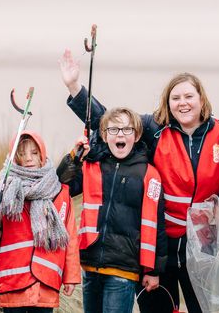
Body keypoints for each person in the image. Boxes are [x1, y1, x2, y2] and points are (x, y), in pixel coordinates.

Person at [59, 49, 219, 313]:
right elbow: (111, 122)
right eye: (175, 98)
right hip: (161, 245)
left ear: (201, 99)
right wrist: (75, 87)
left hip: (204, 242)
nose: (183, 103)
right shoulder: (154, 129)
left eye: (189, 96)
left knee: (210, 308)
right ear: (168, 103)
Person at [61, 107, 168, 313]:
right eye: (114, 129)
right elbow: (63, 185)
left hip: (124, 270)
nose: (120, 134)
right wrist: (75, 156)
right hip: (90, 265)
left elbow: (157, 225)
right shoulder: (92, 166)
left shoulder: (149, 174)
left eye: (127, 130)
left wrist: (153, 270)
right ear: (103, 135)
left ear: (136, 136)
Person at [0, 131, 80, 313]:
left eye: (34, 153)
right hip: (13, 283)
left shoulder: (60, 193)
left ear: (42, 155)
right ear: (16, 159)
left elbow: (70, 239)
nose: (29, 159)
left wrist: (71, 277)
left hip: (46, 285)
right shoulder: (4, 190)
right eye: (22, 154)